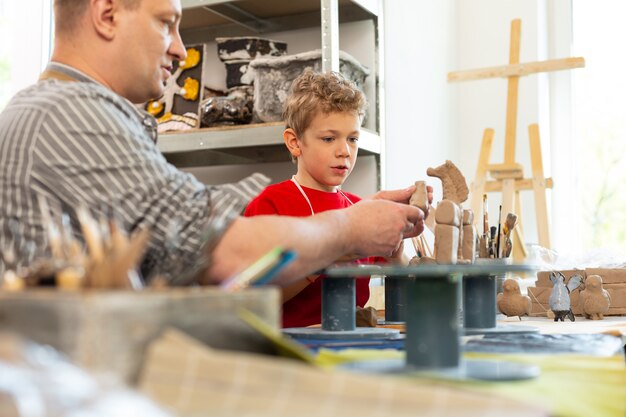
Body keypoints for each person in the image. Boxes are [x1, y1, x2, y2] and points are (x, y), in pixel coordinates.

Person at [0, 0, 428, 286]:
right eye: (166, 23)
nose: (181, 51)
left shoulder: (60, 110)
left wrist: (360, 216)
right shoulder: (72, 115)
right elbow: (219, 252)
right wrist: (353, 228)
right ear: (107, 14)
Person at [244, 70, 417, 327]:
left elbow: (404, 282)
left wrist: (397, 255)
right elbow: (252, 298)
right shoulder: (271, 205)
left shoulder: (360, 208)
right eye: (329, 138)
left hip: (354, 346)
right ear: (294, 142)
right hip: (293, 350)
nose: (344, 151)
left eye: (353, 139)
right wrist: (325, 256)